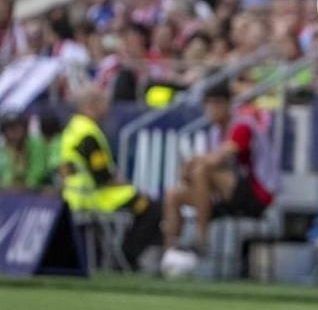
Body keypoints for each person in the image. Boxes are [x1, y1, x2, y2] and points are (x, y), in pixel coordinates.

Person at [162, 82, 278, 255]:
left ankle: (202, 240)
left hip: (257, 192)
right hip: (227, 193)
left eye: (216, 104)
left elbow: (217, 159)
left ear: (227, 104)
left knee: (202, 170)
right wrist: (188, 173)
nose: (211, 109)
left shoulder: (242, 125)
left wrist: (192, 163)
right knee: (173, 195)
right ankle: (171, 252)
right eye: (208, 104)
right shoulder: (215, 131)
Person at [58, 84, 162, 268]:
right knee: (151, 208)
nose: (108, 108)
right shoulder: (88, 133)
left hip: (74, 195)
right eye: (104, 102)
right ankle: (125, 258)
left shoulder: (73, 128)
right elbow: (102, 176)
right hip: (94, 196)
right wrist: (124, 182)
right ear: (93, 104)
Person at [0, 113, 51, 190]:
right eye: (11, 129)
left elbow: (38, 173)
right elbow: (5, 180)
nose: (15, 133)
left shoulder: (37, 145)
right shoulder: (2, 152)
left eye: (18, 128)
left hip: (37, 195)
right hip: (7, 197)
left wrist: (26, 185)